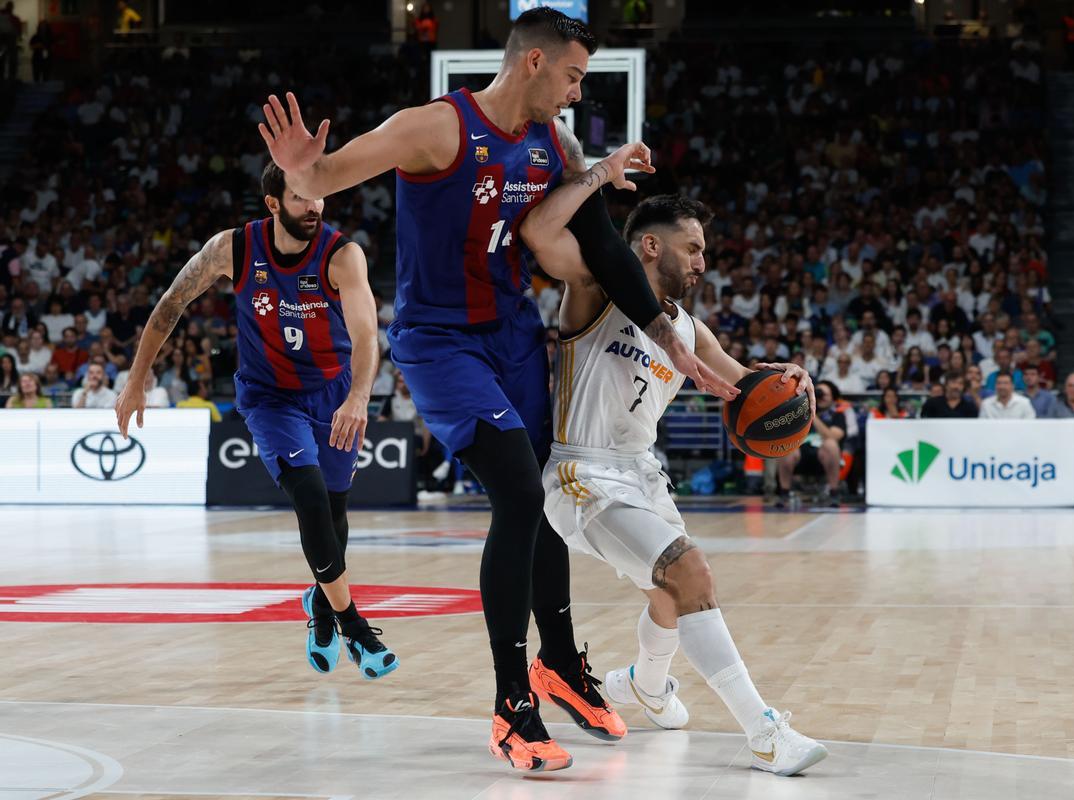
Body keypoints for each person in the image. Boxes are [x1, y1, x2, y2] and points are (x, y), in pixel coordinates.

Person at [257, 7, 736, 769]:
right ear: (536, 63)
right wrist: (300, 169)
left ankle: (559, 662)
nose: (578, 92)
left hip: (513, 332)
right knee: (518, 492)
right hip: (441, 342)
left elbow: (606, 248)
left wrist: (667, 332)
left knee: (543, 488)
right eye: (574, 75)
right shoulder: (433, 127)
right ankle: (513, 703)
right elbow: (325, 176)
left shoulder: (556, 143)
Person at [522, 188, 826, 777]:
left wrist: (792, 380)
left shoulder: (690, 331)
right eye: (693, 248)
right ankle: (764, 734)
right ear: (651, 245)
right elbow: (539, 234)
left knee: (671, 600)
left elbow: (748, 386)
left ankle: (646, 684)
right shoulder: (595, 288)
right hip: (581, 473)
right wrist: (595, 174)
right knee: (692, 572)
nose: (701, 263)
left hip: (643, 475)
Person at [115, 161, 398, 683]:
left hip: (335, 393)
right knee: (310, 498)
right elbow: (171, 303)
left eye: (320, 196)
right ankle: (353, 623)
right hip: (271, 398)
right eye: (302, 198)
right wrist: (137, 379)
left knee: (334, 515)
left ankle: (319, 604)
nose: (315, 206)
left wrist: (359, 396)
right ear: (273, 204)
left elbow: (365, 335)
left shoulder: (342, 254)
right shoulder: (234, 248)